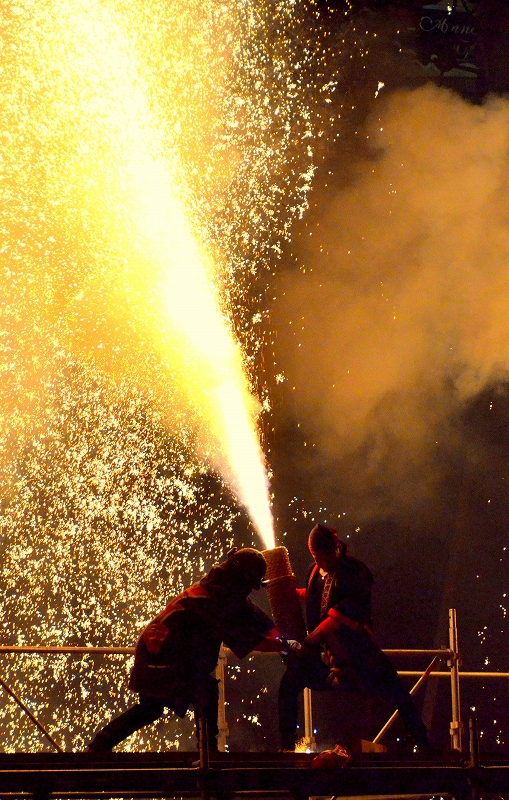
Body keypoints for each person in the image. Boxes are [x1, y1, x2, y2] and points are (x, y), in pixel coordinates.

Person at [88, 547, 287, 752]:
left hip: (155, 654)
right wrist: (285, 645)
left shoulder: (219, 589)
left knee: (151, 708)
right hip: (160, 657)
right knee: (204, 691)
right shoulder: (212, 603)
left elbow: (253, 614)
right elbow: (249, 640)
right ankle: (207, 754)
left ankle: (100, 744)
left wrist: (277, 632)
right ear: (241, 579)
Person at [278, 524, 430, 752]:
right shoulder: (313, 571)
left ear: (335, 549)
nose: (321, 562)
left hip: (358, 654)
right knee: (288, 683)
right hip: (325, 658)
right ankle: (287, 748)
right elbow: (313, 597)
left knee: (397, 694)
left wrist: (315, 635)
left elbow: (349, 609)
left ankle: (425, 745)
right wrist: (286, 590)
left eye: (324, 556)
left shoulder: (355, 571)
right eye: (316, 557)